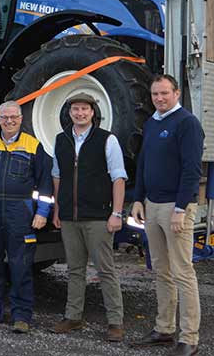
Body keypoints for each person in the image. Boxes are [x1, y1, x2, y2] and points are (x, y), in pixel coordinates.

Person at [130, 74, 204, 356]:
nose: (159, 99)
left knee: (183, 272)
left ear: (175, 93)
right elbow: (144, 163)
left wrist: (181, 209)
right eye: (155, 95)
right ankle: (164, 328)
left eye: (164, 93)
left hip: (176, 208)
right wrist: (138, 199)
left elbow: (191, 170)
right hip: (151, 205)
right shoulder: (152, 123)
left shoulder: (187, 124)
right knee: (161, 270)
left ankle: (189, 338)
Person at [0, 101, 53, 334]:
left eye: (13, 117)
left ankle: (21, 316)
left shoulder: (33, 146)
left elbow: (45, 184)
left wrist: (42, 213)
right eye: (4, 117)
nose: (9, 121)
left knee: (21, 265)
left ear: (20, 118)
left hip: (21, 212)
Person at [49, 93, 126, 342]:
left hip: (98, 218)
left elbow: (118, 177)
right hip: (70, 217)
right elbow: (57, 176)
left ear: (93, 112)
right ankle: (73, 316)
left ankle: (115, 322)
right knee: (74, 270)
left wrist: (116, 213)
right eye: (75, 109)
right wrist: (58, 209)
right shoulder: (61, 140)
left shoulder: (107, 139)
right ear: (69, 112)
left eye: (84, 109)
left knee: (105, 270)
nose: (79, 113)